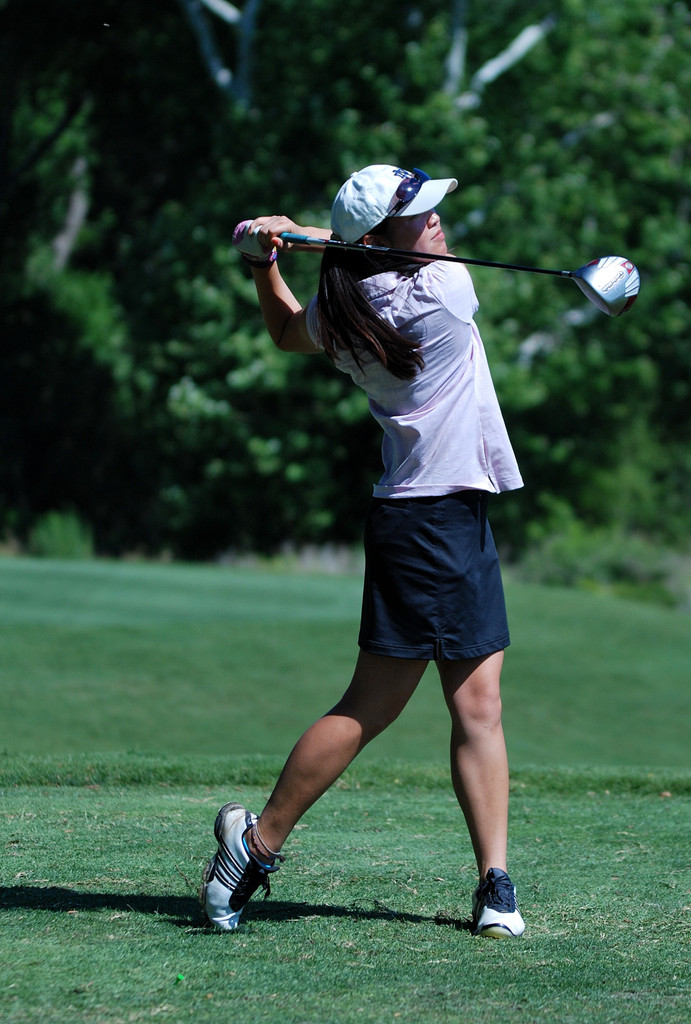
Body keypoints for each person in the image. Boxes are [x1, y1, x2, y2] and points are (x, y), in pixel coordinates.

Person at [199, 164, 525, 938]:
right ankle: (253, 847)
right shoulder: (444, 293)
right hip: (434, 520)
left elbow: (285, 331)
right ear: (382, 240)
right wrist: (311, 240)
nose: (438, 220)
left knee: (478, 705)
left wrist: (267, 259)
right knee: (372, 706)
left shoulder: (347, 305)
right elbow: (382, 262)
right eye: (421, 214)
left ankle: (495, 886)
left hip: (439, 513)